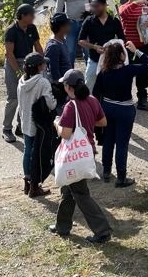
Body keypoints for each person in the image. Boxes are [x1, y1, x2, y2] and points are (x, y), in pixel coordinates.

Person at [50, 69, 112, 245]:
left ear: (69, 87)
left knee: (80, 193)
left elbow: (66, 134)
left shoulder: (71, 106)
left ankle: (102, 230)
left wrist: (56, 123)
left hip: (74, 155)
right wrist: (86, 122)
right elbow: (103, 122)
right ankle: (62, 226)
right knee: (68, 190)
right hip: (87, 151)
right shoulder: (91, 100)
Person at [93, 40, 148, 187]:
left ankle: (106, 172)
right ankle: (121, 177)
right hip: (125, 110)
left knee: (108, 141)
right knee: (122, 144)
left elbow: (96, 93)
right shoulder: (129, 70)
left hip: (107, 108)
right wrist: (136, 51)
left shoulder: (103, 72)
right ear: (121, 55)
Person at [3, 3, 43, 143]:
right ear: (23, 16)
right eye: (31, 14)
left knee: (26, 97)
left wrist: (42, 63)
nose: (34, 17)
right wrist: (19, 72)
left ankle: (21, 127)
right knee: (14, 98)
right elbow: (9, 54)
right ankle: (7, 129)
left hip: (29, 63)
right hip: (13, 64)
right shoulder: (11, 31)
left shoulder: (32, 28)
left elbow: (38, 47)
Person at [17, 52, 56, 198]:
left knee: (28, 151)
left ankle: (27, 183)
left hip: (25, 120)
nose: (45, 65)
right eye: (43, 63)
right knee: (38, 153)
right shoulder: (42, 82)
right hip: (39, 123)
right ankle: (35, 185)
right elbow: (50, 104)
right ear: (39, 67)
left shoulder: (22, 81)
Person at [78, 0, 126, 92]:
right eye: (93, 6)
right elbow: (80, 41)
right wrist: (94, 47)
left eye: (97, 6)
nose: (95, 8)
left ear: (104, 6)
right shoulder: (89, 21)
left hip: (111, 61)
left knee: (111, 87)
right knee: (89, 86)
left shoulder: (114, 21)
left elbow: (122, 39)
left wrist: (113, 47)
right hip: (94, 59)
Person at [119, 0, 148, 110]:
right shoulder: (125, 6)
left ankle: (142, 98)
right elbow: (123, 14)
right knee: (126, 73)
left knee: (143, 72)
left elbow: (146, 22)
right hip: (128, 46)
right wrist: (136, 3)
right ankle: (125, 98)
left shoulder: (143, 7)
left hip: (142, 46)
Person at [56, 0, 95, 67]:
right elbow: (58, 10)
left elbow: (91, 3)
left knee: (87, 51)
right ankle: (70, 73)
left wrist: (88, 12)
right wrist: (58, 26)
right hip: (70, 23)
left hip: (85, 22)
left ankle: (89, 74)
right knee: (70, 51)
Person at [45, 13, 73, 83]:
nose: (70, 26)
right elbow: (54, 71)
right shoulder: (54, 47)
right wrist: (60, 86)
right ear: (62, 27)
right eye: (68, 24)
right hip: (61, 85)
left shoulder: (62, 40)